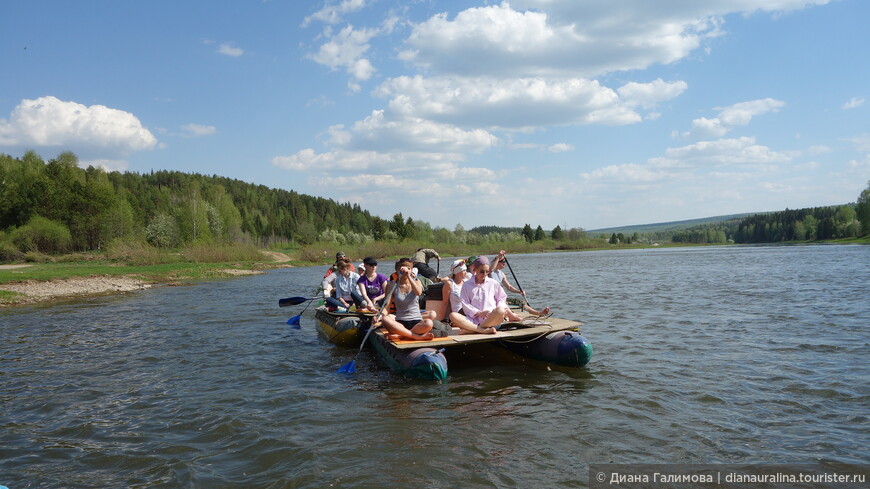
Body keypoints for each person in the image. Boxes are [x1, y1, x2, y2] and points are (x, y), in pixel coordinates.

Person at [377, 258, 438, 340]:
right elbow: (387, 306)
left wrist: (408, 276)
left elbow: (418, 293)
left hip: (416, 321)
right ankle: (416, 336)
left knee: (429, 323)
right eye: (400, 269)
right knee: (385, 319)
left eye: (409, 269)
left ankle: (401, 335)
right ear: (397, 271)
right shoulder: (391, 285)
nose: (404, 271)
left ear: (411, 270)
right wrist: (380, 316)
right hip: (400, 322)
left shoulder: (417, 282)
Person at [490, 251, 551, 317]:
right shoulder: (489, 272)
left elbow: (509, 287)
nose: (504, 265)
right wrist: (498, 257)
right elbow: (491, 269)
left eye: (505, 264)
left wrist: (519, 291)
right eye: (503, 263)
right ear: (497, 262)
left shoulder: (501, 274)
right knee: (504, 303)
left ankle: (538, 313)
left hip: (500, 297)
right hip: (492, 297)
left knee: (521, 302)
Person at [458, 256, 508, 333]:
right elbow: (465, 303)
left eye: (487, 272)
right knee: (453, 315)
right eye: (482, 271)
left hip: (492, 319)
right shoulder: (467, 285)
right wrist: (479, 313)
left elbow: (502, 298)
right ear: (475, 269)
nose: (485, 274)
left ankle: (474, 330)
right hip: (473, 320)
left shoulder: (493, 283)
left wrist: (494, 312)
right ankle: (482, 330)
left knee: (501, 310)